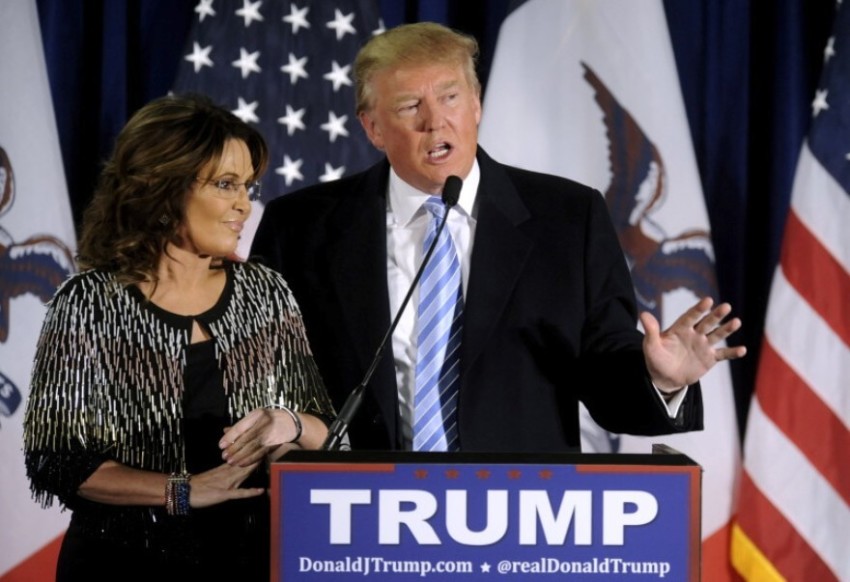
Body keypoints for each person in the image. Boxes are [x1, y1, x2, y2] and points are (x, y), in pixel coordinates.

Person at [251, 22, 746, 453]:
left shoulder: (569, 220)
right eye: (409, 106)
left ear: (477, 104)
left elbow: (605, 378)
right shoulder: (301, 228)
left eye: (450, 97)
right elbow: (265, 374)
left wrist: (658, 378)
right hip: (352, 515)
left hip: (518, 519)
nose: (435, 121)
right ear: (374, 128)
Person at [23, 94, 336, 580]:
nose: (244, 205)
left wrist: (288, 423)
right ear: (164, 189)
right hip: (121, 562)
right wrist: (184, 489)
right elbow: (58, 461)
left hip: (249, 558)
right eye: (226, 184)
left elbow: (325, 429)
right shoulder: (89, 303)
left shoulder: (265, 292)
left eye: (248, 186)